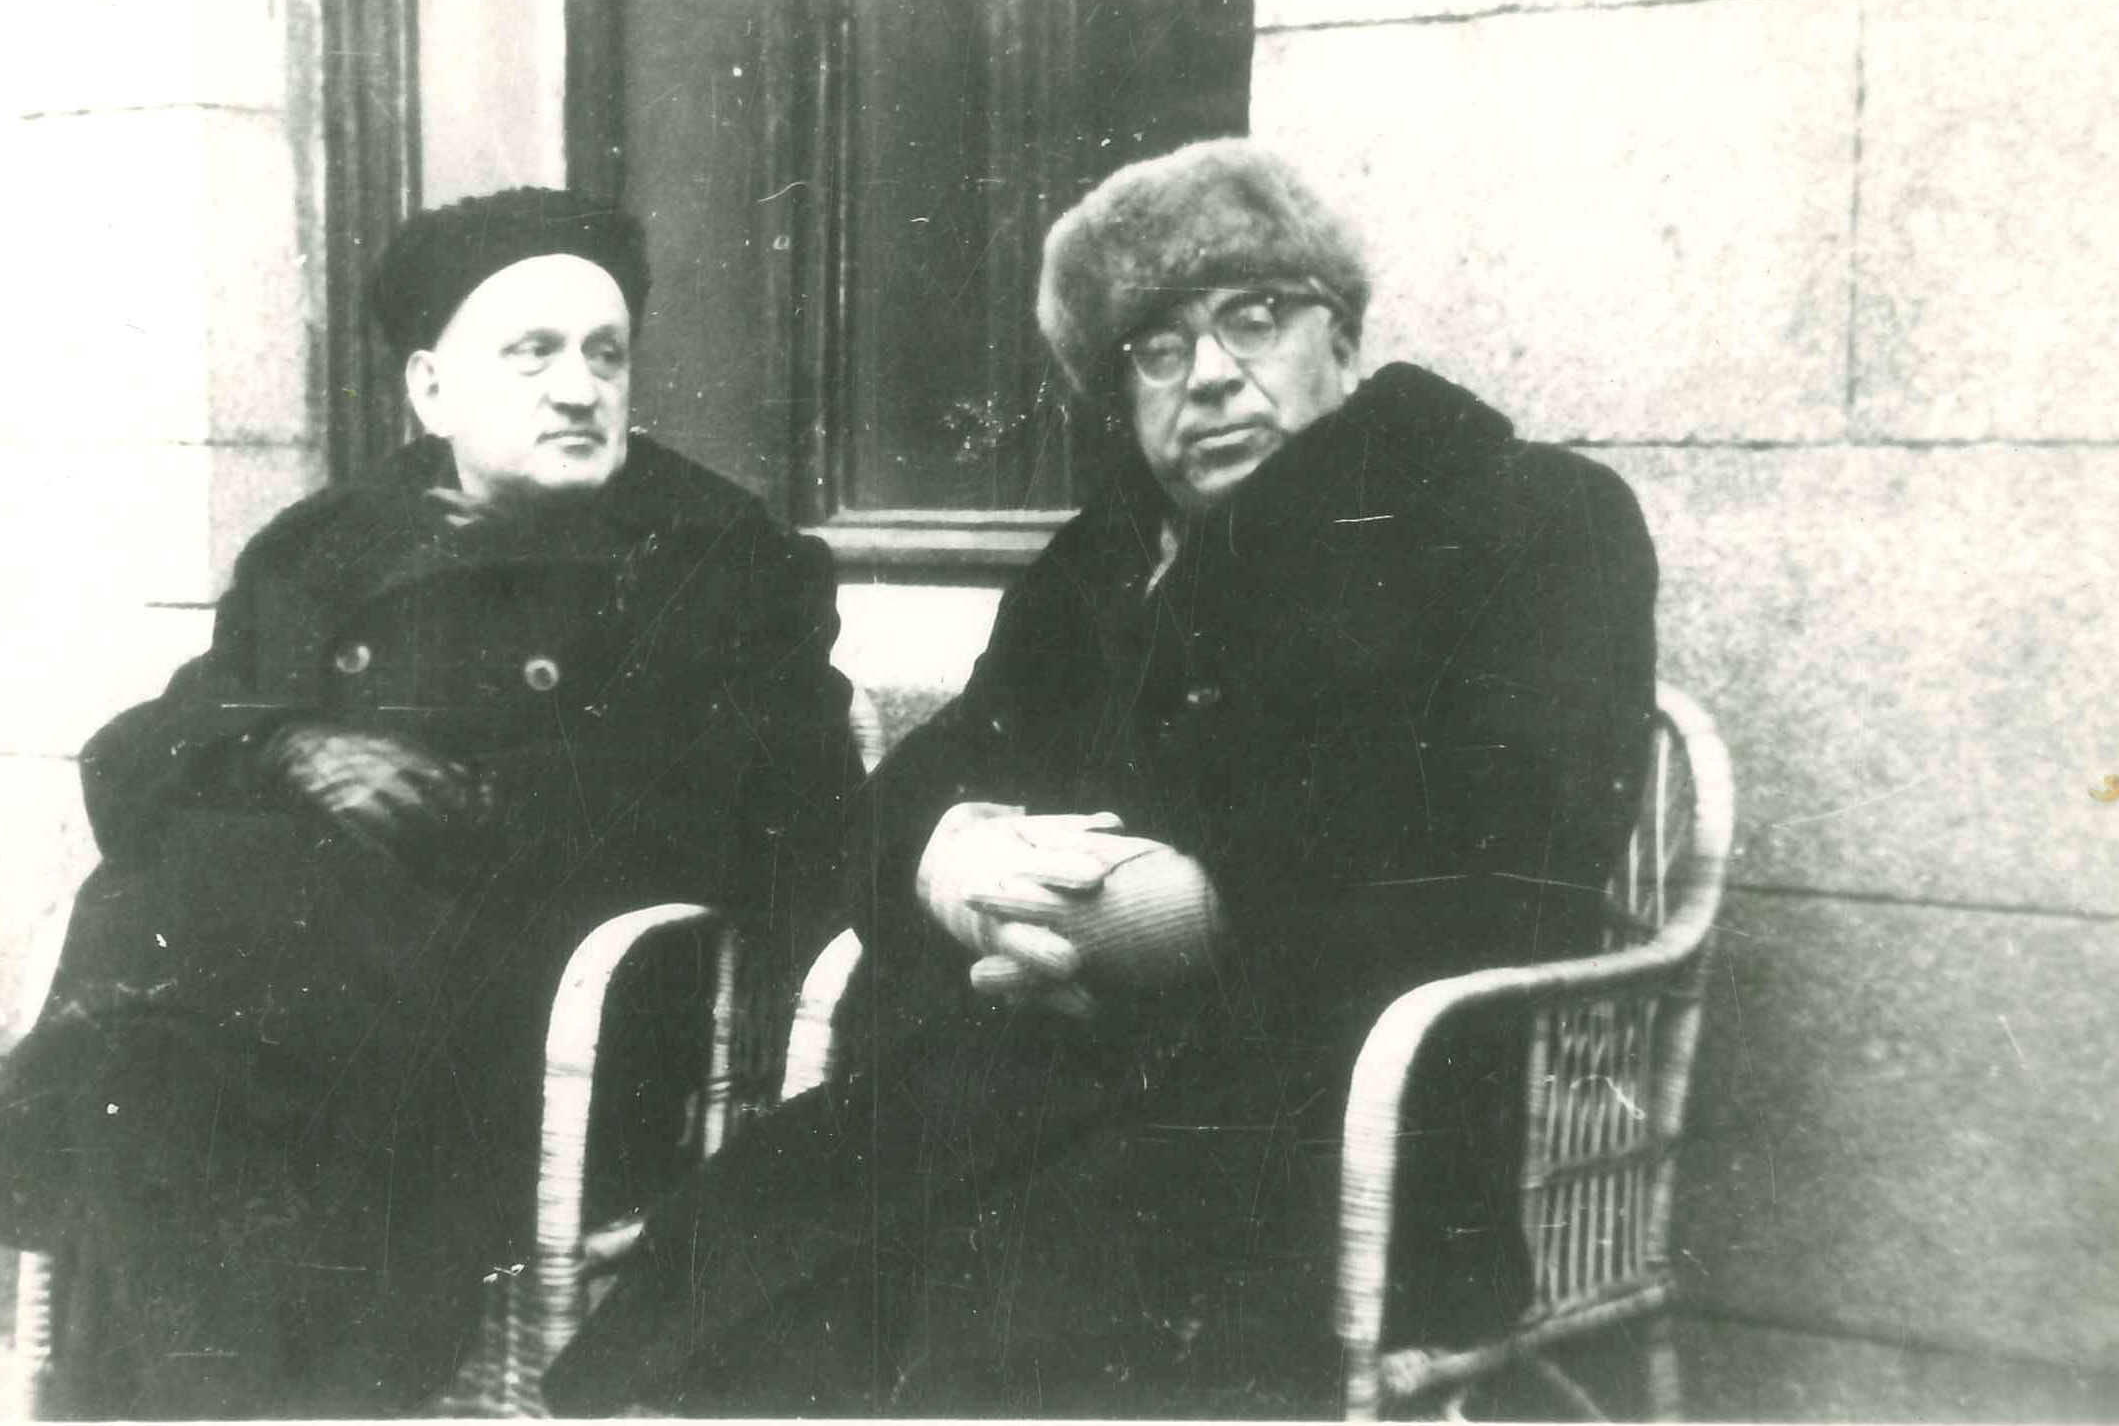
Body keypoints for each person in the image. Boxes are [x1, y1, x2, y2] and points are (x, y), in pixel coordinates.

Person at [543, 140, 1658, 1417]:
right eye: (1160, 348)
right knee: (750, 1240)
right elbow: (923, 779)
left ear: (1343, 336)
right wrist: (957, 866)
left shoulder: (1524, 515)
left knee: (1015, 1302)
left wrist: (1161, 914)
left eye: (1256, 316)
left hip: (1351, 1115)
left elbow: (1522, 848)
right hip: (1040, 1074)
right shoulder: (1106, 561)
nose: (1214, 373)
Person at [0, 189, 860, 1418]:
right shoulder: (327, 546)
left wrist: (468, 795)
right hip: (291, 1024)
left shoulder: (719, 556)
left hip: (552, 1034)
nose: (580, 388)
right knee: (173, 1033)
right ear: (430, 390)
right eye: (532, 352)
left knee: (158, 1064)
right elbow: (144, 747)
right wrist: (295, 743)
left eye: (605, 352)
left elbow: (784, 813)